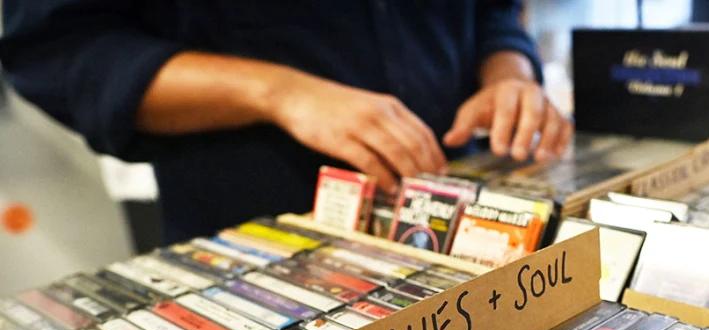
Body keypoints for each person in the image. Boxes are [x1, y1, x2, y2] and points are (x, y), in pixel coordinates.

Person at [0, 2, 571, 242]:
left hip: (464, 211)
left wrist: (510, 73)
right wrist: (279, 93)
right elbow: (59, 54)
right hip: (261, 239)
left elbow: (492, 10)